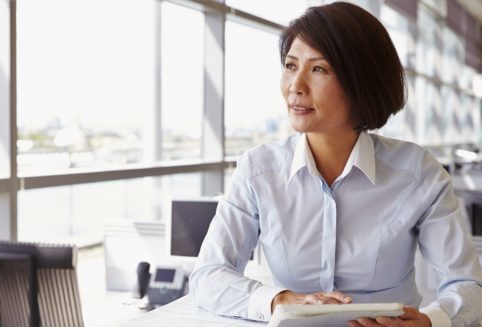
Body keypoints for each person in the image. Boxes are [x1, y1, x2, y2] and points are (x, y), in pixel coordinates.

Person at [189, 2, 482, 327]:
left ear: (362, 82)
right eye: (290, 65)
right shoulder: (259, 170)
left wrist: (430, 322)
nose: (295, 86)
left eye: (319, 69)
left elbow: (468, 286)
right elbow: (208, 275)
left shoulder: (418, 173)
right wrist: (278, 300)